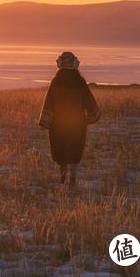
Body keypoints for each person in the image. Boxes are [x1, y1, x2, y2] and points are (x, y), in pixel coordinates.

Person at [38, 51, 100, 187]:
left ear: (60, 64)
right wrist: (92, 117)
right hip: (78, 123)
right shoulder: (80, 82)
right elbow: (90, 102)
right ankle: (73, 178)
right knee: (75, 150)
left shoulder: (56, 82)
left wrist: (45, 122)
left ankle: (62, 178)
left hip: (58, 123)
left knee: (60, 151)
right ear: (75, 64)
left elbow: (49, 102)